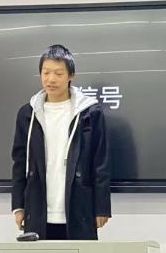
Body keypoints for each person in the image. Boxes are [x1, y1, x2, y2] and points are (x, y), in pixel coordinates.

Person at [11, 44, 111, 240]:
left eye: (58, 73)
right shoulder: (28, 113)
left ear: (71, 75)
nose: (51, 79)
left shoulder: (90, 113)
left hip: (80, 206)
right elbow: (19, 162)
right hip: (37, 207)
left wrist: (102, 207)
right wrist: (18, 205)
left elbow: (101, 163)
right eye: (46, 72)